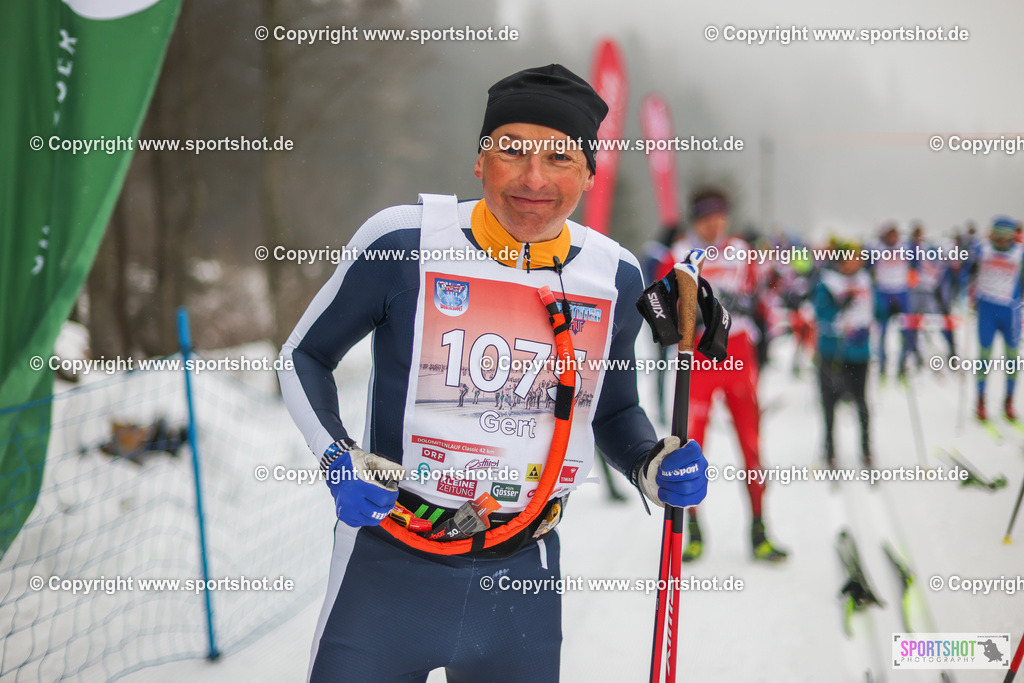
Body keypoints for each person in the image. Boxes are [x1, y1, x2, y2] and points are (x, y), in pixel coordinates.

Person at [278, 64, 710, 682]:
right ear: (480, 161)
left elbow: (612, 410)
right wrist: (336, 456)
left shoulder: (613, 277)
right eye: (512, 151)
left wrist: (651, 463)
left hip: (522, 584)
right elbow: (303, 356)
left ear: (589, 173)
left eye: (560, 157)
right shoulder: (406, 241)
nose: (534, 178)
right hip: (386, 573)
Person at [655, 188, 788, 563]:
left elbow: (767, 293)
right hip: (697, 360)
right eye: (707, 218)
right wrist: (686, 314)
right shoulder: (679, 252)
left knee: (751, 445)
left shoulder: (742, 251)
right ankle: (693, 531)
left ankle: (760, 530)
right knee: (688, 447)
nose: (715, 225)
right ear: (695, 220)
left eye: (720, 217)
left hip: (738, 353)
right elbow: (658, 306)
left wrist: (762, 314)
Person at [812, 239, 874, 467]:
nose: (856, 261)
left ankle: (866, 448)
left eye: (859, 257)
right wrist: (838, 308)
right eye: (851, 257)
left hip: (859, 352)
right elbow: (820, 314)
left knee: (861, 402)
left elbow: (874, 310)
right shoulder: (828, 282)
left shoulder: (866, 280)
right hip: (832, 352)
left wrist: (890, 308)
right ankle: (829, 449)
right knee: (829, 403)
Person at [970, 216, 1024, 421]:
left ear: (1012, 236)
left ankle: (1009, 400)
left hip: (1010, 311)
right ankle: (980, 400)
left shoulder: (1020, 253)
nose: (1001, 240)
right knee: (984, 356)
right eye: (998, 236)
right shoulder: (981, 250)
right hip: (987, 310)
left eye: (1005, 236)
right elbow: (965, 271)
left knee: (1012, 357)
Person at [866, 222, 912, 380]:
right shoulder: (875, 248)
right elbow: (867, 268)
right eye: (890, 235)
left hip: (901, 292)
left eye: (895, 235)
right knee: (882, 332)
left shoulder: (905, 247)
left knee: (905, 332)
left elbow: (916, 264)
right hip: (883, 292)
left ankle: (902, 366)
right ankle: (882, 367)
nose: (893, 238)